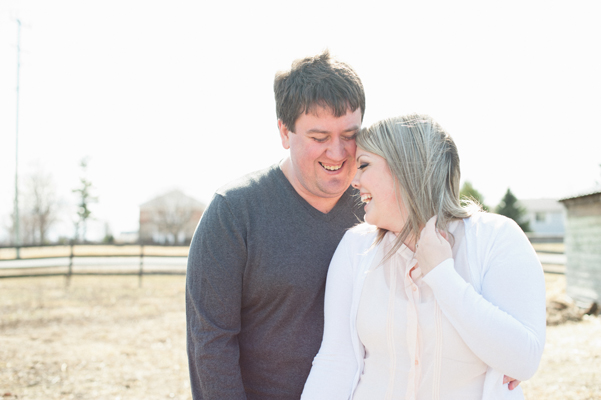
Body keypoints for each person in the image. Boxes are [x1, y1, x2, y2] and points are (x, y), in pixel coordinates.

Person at [301, 114, 546, 399]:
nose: (354, 181)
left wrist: (443, 276)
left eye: (364, 165)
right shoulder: (355, 247)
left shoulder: (496, 237)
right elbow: (336, 361)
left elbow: (523, 361)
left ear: (405, 168)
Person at [185, 50, 366, 399]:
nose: (338, 152)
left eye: (349, 134)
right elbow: (210, 344)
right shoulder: (234, 213)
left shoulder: (377, 208)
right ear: (284, 132)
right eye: (319, 137)